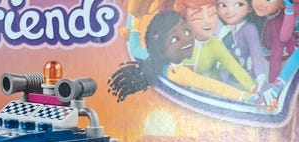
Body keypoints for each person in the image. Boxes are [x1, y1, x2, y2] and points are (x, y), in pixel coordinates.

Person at [109, 9, 257, 104]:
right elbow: (211, 85)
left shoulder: (148, 55)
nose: (187, 39)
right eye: (175, 39)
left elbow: (135, 48)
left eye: (187, 31)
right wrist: (245, 98)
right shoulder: (177, 73)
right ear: (160, 44)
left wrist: (133, 19)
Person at [175, 0, 257, 92]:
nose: (208, 22)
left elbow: (236, 69)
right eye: (198, 18)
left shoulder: (216, 45)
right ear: (185, 22)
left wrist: (253, 88)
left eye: (212, 14)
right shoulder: (178, 44)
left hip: (210, 93)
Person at [216, 0, 268, 93]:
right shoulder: (224, 31)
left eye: (238, 4)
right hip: (229, 81)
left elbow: (256, 54)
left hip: (249, 82)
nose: (229, 11)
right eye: (223, 5)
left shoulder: (249, 29)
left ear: (249, 8)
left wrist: (261, 78)